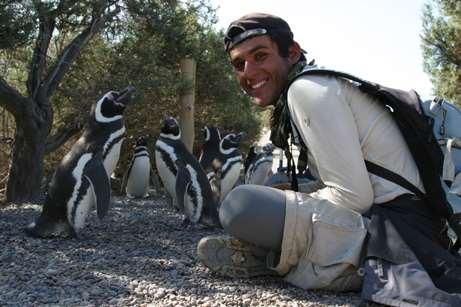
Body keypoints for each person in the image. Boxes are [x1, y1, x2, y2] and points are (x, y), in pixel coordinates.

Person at [196, 13, 461, 306]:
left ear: (292, 52)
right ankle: (282, 252)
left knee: (240, 206)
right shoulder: (314, 84)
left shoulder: (305, 89)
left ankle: (283, 256)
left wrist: (286, 203)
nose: (249, 71)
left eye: (260, 56)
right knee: (274, 187)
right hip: (406, 219)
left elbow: (354, 197)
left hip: (398, 231)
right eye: (239, 64)